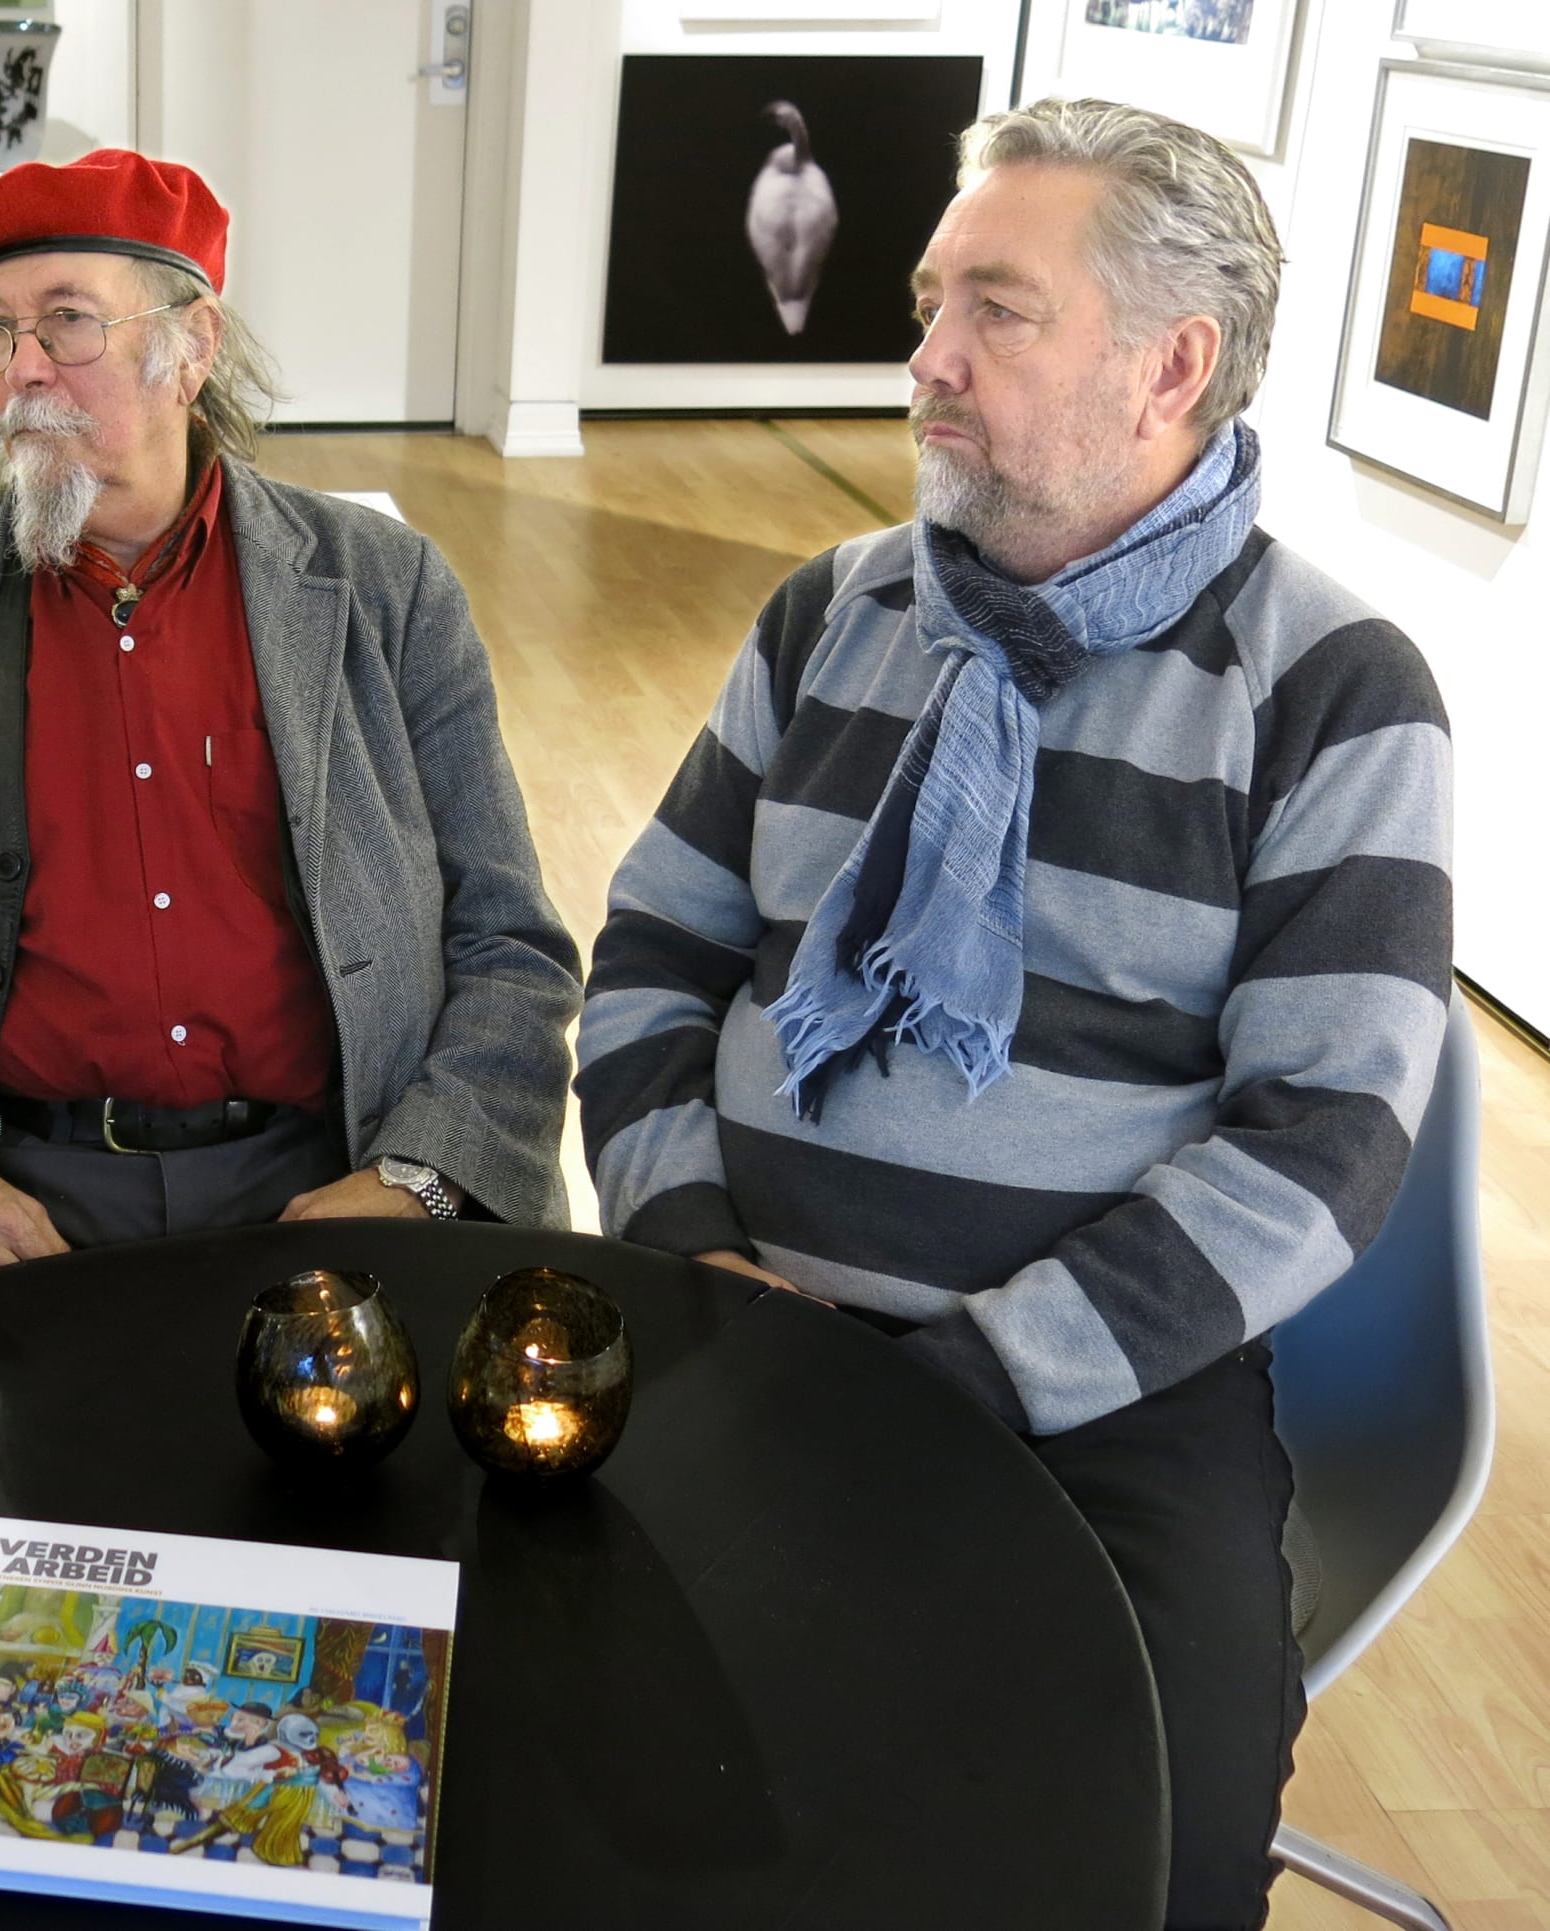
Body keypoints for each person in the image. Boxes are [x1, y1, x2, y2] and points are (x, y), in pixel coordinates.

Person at [575, 100, 1451, 1929]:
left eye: (995, 309)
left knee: (1142, 1852)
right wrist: (689, 1249)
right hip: (733, 1322)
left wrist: (961, 1386)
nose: (926, 360)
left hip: (1095, 1392)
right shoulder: (830, 612)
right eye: (927, 303)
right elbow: (652, 949)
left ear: (1169, 365)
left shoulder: (1326, 687)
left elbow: (1321, 1140)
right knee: (568, 1776)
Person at [0, 148, 580, 1314]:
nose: (23, 366)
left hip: (339, 1161)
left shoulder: (387, 589)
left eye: (66, 321)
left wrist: (420, 1177)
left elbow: (510, 939)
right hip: (5, 1186)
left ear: (191, 348)